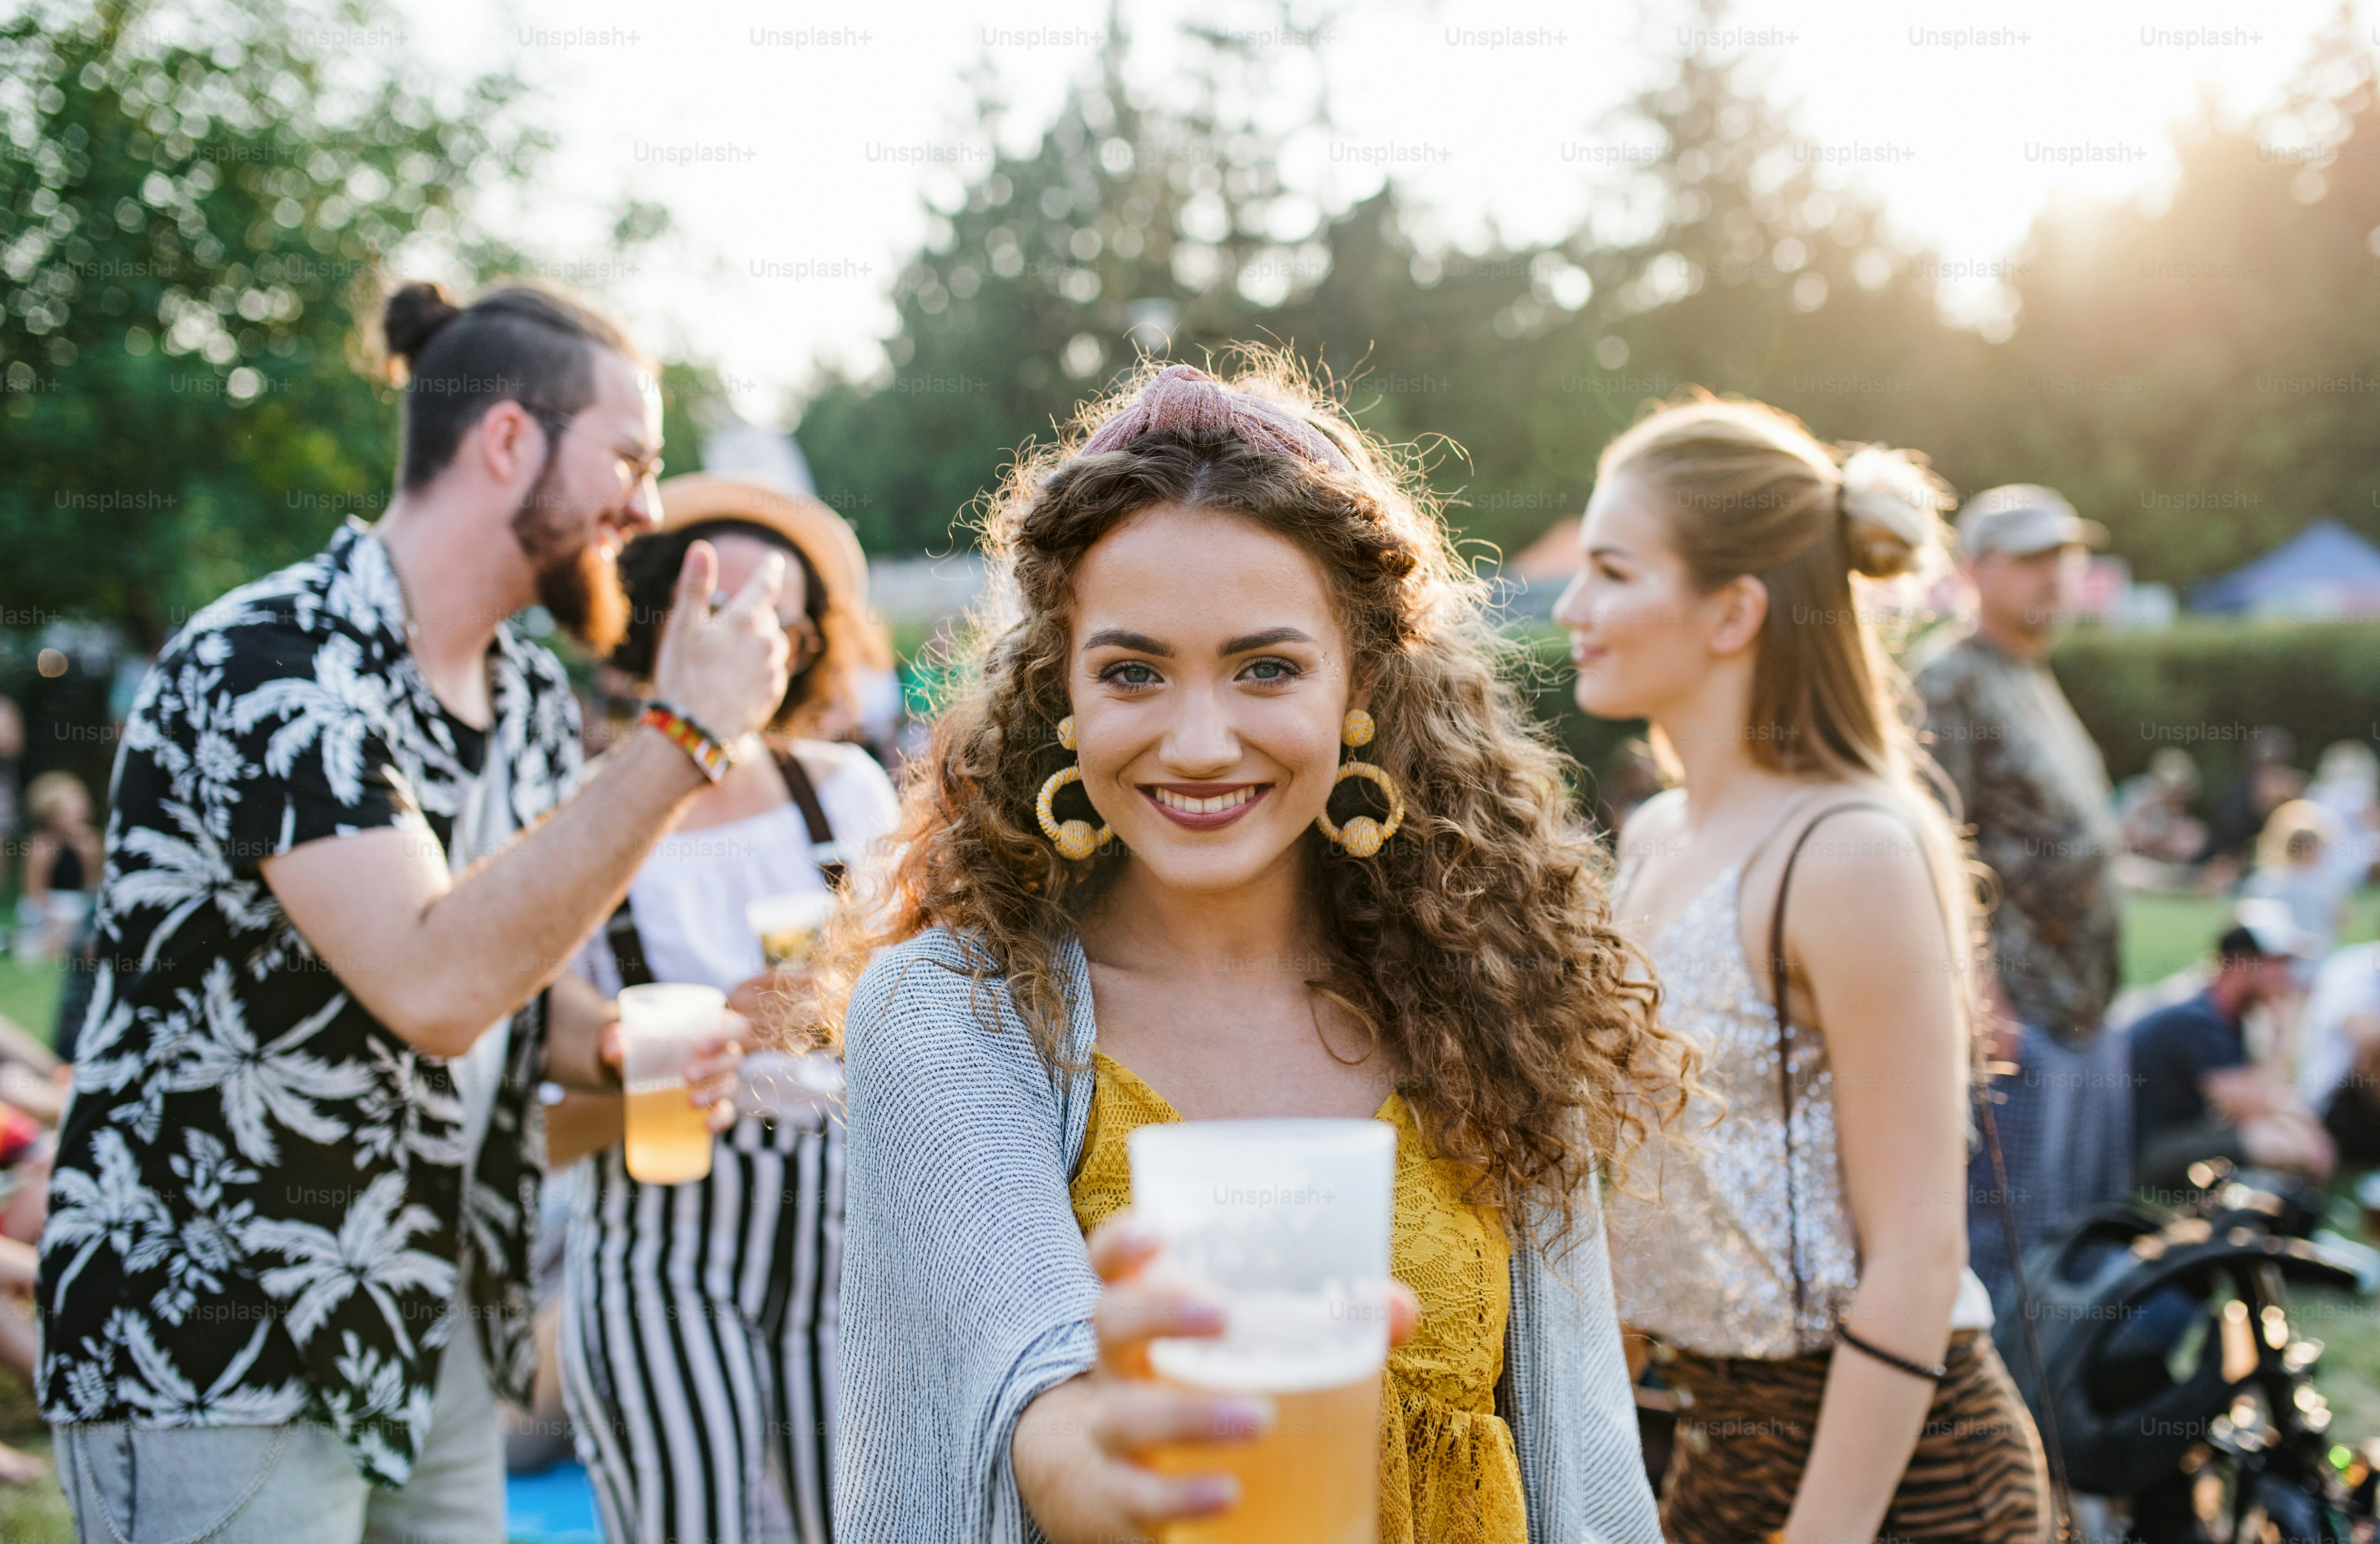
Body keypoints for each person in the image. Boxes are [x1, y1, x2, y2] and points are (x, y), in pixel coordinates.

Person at [829, 360, 1678, 1543]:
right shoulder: (952, 1015)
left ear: (1359, 680)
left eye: (1264, 667)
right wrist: (1113, 1463)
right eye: (1133, 670)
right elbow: (1034, 1385)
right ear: (1061, 691)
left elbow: (1585, 1461)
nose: (1198, 740)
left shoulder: (1483, 990)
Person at [38, 279, 791, 1544]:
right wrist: (687, 735)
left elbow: (504, 972)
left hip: (425, 1323)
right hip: (217, 1339)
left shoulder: (534, 699)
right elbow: (432, 985)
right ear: (508, 440)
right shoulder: (271, 664)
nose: (648, 509)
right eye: (630, 458)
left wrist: (611, 1041)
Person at [1566, 394, 2044, 1543]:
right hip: (1716, 1444)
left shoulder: (1848, 853)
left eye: (1612, 572)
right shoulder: (1655, 838)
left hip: (1899, 1472)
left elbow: (1919, 1258)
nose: (1574, 610)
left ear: (1733, 610)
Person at [555, 475, 900, 1544]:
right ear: (655, 617)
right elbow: (533, 1113)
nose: (757, 639)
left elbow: (927, 1021)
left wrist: (853, 1004)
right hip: (659, 1234)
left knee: (863, 1522)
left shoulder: (841, 791)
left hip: (844, 1224)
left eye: (781, 620)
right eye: (727, 609)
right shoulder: (573, 821)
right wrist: (674, 1050)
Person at [1914, 481, 2130, 1318]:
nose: (2055, 575)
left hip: (2080, 1012)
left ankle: (2063, 1433)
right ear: (1971, 569)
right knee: (2006, 1262)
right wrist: (1981, 995)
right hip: (2016, 1023)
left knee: (2069, 1247)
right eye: (2032, 558)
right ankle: (1989, 1443)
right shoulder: (1947, 680)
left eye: (2065, 556)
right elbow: (1928, 848)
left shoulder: (2028, 672)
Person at [2130, 918, 2333, 1190]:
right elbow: (2255, 1110)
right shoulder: (2198, 1021)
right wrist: (2280, 1037)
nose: (2289, 976)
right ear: (2242, 963)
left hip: (2176, 1137)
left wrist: (2310, 1133)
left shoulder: (2226, 1017)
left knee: (2289, 1142)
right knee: (2278, 1145)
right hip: (2143, 1155)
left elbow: (2264, 1097)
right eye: (2280, 962)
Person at [2242, 798, 2352, 974]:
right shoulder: (2328, 883)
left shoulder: (2263, 881)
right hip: (2314, 965)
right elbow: (2341, 921)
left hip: (2278, 969)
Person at [14, 770, 100, 960]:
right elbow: (33, 897)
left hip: (78, 907)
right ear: (51, 812)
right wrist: (56, 920)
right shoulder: (41, 846)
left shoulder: (89, 841)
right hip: (49, 910)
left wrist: (87, 855)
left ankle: (64, 943)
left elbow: (92, 890)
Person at [2307, 739, 2380, 890]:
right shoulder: (2358, 789)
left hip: (2323, 860)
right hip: (2352, 858)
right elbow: (2374, 825)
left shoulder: (2315, 791)